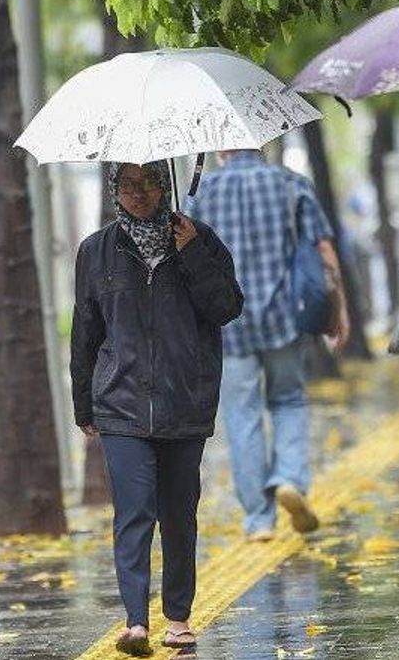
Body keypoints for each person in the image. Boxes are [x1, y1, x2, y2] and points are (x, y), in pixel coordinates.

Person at [71, 161, 243, 656]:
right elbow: (86, 331)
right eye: (129, 185)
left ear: (165, 185)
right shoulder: (96, 250)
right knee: (133, 510)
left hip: (184, 399)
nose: (141, 193)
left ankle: (179, 616)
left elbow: (226, 308)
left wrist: (190, 255)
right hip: (120, 402)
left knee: (178, 513)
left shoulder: (199, 239)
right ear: (114, 190)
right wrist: (84, 402)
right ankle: (134, 621)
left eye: (150, 183)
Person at [186, 149, 350, 542]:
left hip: (228, 323)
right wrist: (339, 310)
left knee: (242, 417)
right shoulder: (291, 183)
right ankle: (290, 477)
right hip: (285, 319)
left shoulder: (200, 193)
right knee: (289, 399)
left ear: (222, 147)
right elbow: (324, 251)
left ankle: (259, 520)